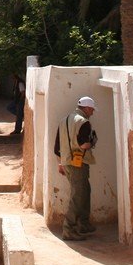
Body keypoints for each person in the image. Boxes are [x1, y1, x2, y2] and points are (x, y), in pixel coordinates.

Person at [53, 96, 98, 241]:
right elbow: (84, 144)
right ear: (86, 108)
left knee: (84, 191)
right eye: (91, 109)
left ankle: (83, 224)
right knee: (78, 195)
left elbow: (56, 148)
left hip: (66, 162)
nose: (92, 112)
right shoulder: (83, 122)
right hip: (78, 163)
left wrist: (60, 163)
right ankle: (69, 228)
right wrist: (93, 142)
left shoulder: (64, 120)